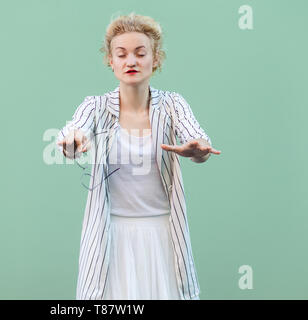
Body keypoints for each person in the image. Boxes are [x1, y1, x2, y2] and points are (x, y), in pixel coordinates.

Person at [56, 12, 221, 300]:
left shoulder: (172, 104)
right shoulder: (94, 106)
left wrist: (197, 150)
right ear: (111, 60)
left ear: (155, 58)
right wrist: (72, 141)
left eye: (140, 53)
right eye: (121, 54)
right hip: (111, 235)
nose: (130, 61)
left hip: (163, 236)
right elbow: (73, 131)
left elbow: (197, 138)